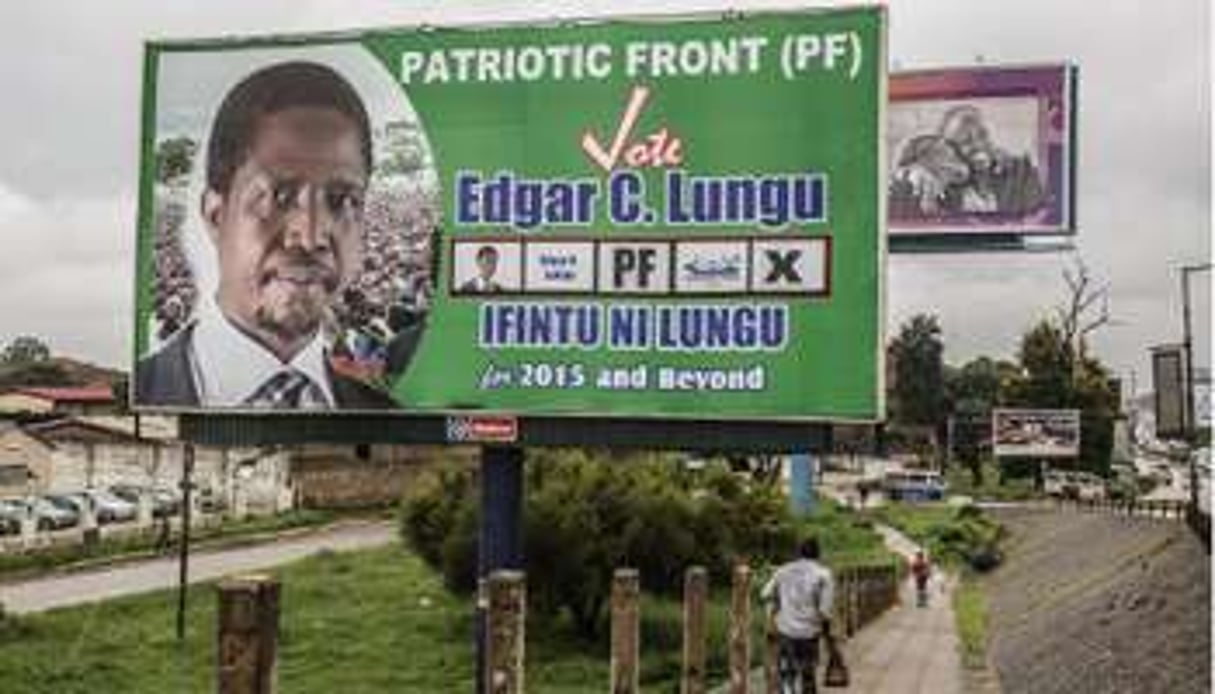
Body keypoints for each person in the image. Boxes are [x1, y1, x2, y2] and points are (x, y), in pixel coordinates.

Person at [136, 61, 418, 409]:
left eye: (341, 200)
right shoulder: (144, 395)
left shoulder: (385, 420)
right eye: (278, 196)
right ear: (214, 214)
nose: (311, 235)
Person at [762, 536, 835, 694]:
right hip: (810, 632)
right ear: (818, 554)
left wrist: (776, 610)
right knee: (808, 675)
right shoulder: (824, 574)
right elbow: (825, 611)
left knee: (787, 673)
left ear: (798, 553)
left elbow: (765, 594)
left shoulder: (782, 570)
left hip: (786, 631)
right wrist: (828, 635)